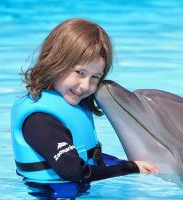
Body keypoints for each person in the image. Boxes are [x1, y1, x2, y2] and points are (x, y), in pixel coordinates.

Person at [10, 18, 158, 198]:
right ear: (55, 62)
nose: (85, 86)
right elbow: (74, 172)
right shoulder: (40, 120)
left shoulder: (66, 105)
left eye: (95, 76)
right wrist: (129, 168)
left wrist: (124, 163)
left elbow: (84, 156)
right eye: (80, 72)